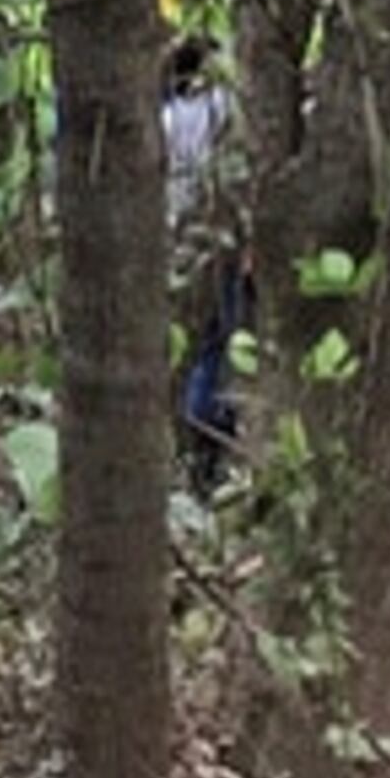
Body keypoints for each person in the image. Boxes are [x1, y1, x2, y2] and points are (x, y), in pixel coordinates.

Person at [165, 38, 249, 477]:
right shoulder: (221, 108)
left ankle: (193, 432)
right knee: (220, 336)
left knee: (194, 339)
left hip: (177, 234)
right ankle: (207, 429)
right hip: (215, 232)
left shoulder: (163, 119)